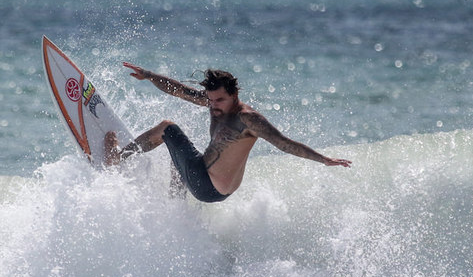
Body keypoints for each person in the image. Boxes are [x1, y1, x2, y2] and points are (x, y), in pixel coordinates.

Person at [105, 63, 351, 202]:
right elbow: (179, 90)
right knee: (180, 156)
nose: (213, 106)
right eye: (210, 100)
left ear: (235, 95)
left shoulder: (247, 119)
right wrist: (149, 76)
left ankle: (117, 157)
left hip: (207, 186)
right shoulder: (217, 105)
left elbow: (283, 143)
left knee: (167, 128)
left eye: (220, 100)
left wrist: (324, 159)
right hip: (214, 185)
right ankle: (176, 206)